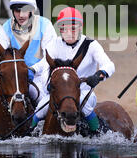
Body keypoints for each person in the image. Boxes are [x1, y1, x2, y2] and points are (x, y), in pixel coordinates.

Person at [0, 0, 57, 130]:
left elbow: (51, 56)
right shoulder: (5, 28)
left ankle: (40, 128)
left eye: (24, 11)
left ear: (32, 11)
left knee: (40, 98)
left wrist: (32, 69)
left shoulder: (45, 25)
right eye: (17, 11)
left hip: (37, 76)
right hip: (14, 78)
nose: (21, 15)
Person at [30, 7, 115, 135]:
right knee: (41, 108)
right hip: (60, 93)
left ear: (80, 27)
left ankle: (97, 135)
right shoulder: (55, 43)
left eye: (73, 28)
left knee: (82, 104)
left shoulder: (91, 44)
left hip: (84, 92)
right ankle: (29, 133)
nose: (69, 32)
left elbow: (109, 65)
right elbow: (43, 63)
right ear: (60, 29)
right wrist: (31, 70)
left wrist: (98, 75)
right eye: (64, 28)